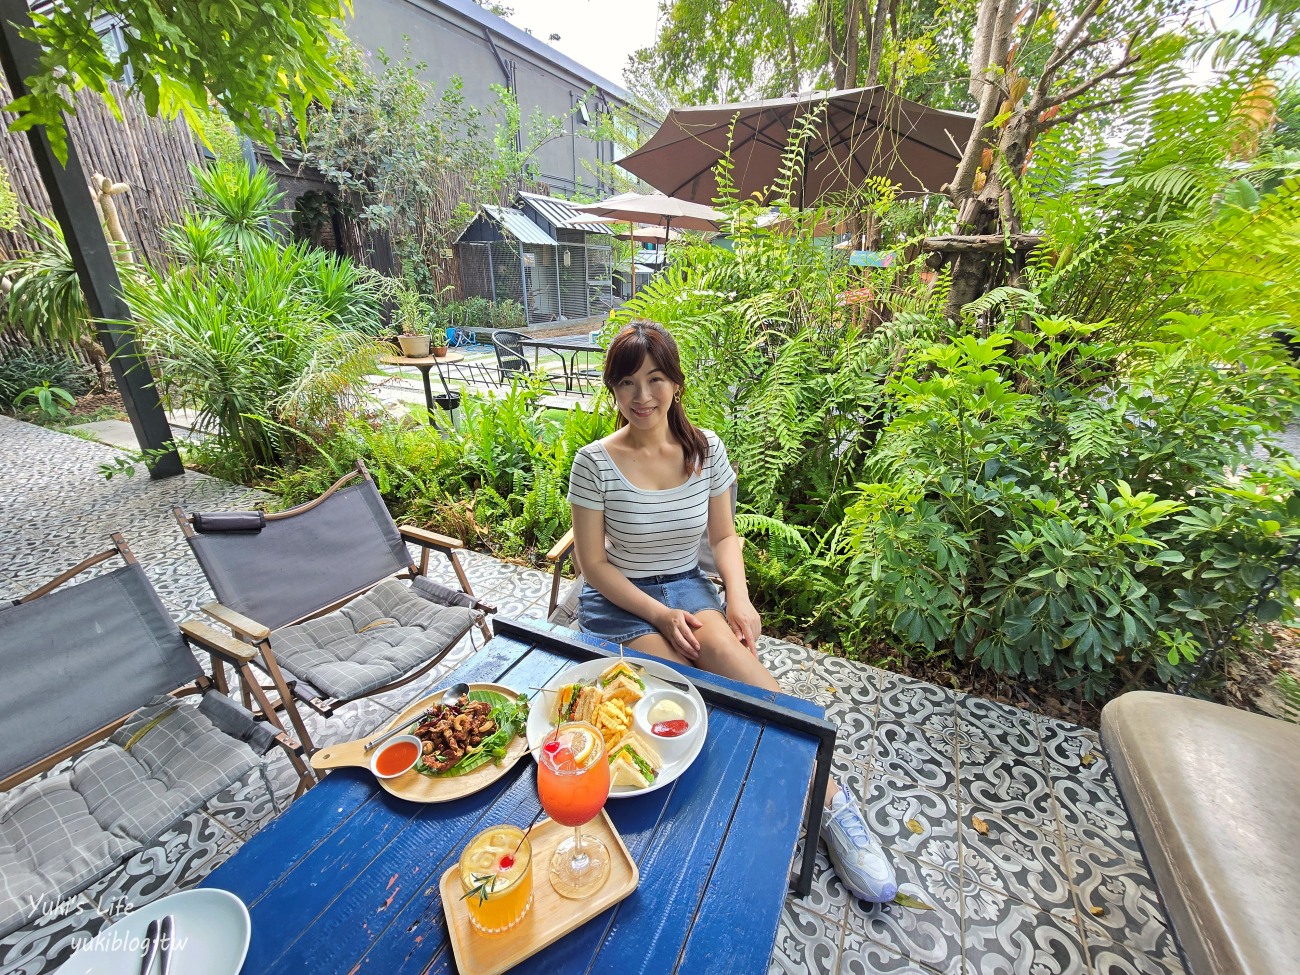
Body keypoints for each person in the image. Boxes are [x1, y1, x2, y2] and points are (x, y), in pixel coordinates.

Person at [567, 320, 897, 903]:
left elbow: (724, 538)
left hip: (687, 585)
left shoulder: (706, 450)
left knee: (743, 672)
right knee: (677, 692)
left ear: (676, 383)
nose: (642, 397)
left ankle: (829, 802)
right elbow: (592, 565)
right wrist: (659, 616)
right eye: (627, 383)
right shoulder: (593, 463)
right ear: (612, 390)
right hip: (620, 599)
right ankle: (729, 810)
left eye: (655, 379)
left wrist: (738, 600)